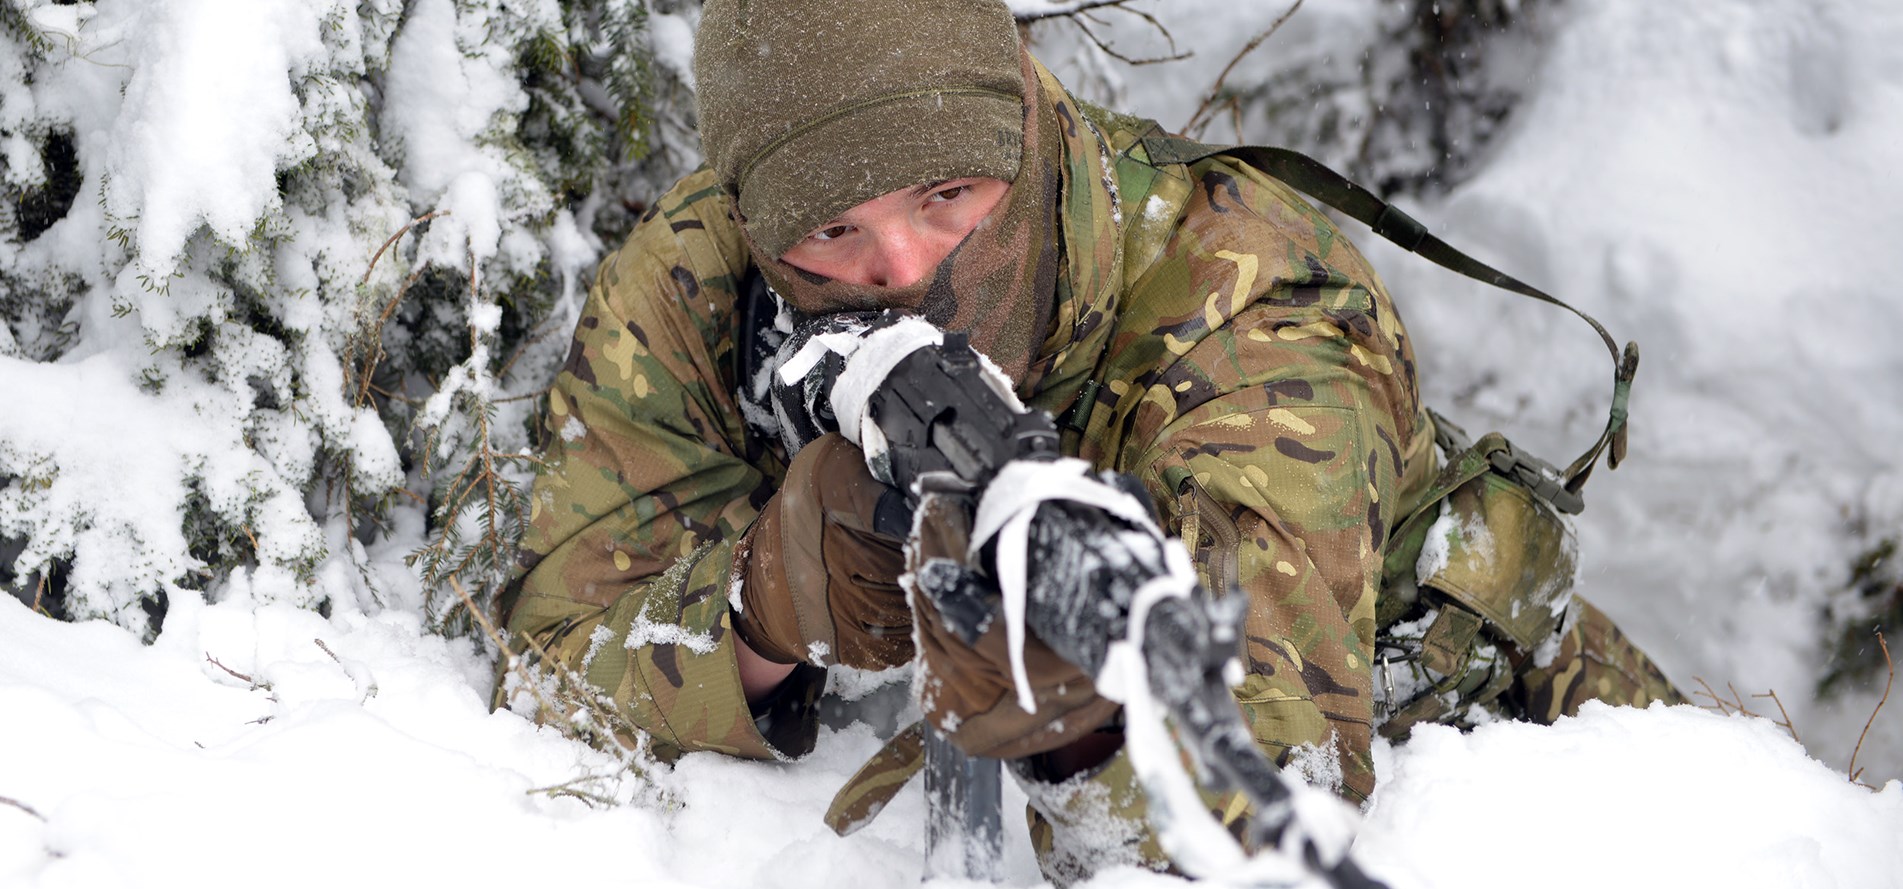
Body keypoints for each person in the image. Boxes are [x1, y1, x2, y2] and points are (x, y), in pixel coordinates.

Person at [500, 0, 1682, 881]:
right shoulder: (702, 279)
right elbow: (547, 648)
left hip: (1573, 768)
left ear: (1021, 123)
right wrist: (772, 604)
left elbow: (1266, 806)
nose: (903, 267)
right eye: (833, 226)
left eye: (948, 195)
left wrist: (1074, 725)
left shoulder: (1256, 303)